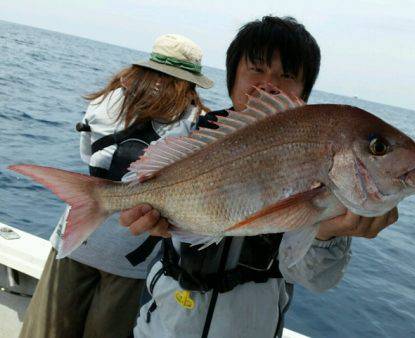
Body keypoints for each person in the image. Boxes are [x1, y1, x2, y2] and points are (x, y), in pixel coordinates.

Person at [120, 17, 398, 338]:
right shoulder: (188, 137)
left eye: (287, 75)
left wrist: (327, 235)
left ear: (303, 92)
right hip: (162, 326)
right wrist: (139, 215)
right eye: (257, 69)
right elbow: (138, 200)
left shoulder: (319, 161)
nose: (269, 83)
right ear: (233, 74)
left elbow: (316, 279)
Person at [19, 34, 213, 338]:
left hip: (76, 239)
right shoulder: (196, 122)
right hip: (132, 258)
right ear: (189, 83)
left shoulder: (105, 100)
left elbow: (87, 153)